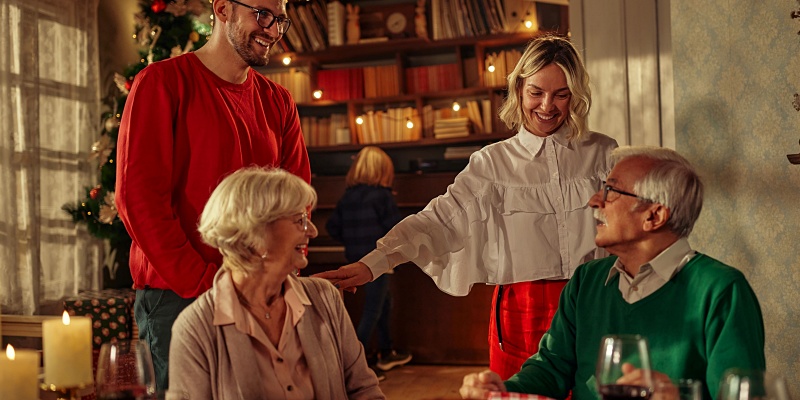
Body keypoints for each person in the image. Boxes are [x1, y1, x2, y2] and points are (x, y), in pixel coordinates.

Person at [314, 34, 618, 379]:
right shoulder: (491, 163)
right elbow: (438, 220)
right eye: (536, 92)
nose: (547, 106)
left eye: (561, 94)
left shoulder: (604, 153)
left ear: (575, 95)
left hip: (596, 300)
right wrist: (374, 264)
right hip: (523, 307)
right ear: (518, 90)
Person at [459, 146, 766, 400]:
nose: (595, 201)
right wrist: (502, 390)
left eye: (611, 191)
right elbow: (551, 369)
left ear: (654, 215)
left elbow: (742, 396)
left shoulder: (722, 289)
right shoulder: (586, 281)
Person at [115, 0, 310, 390]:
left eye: (281, 20)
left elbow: (297, 201)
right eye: (263, 14)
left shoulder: (279, 102)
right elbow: (138, 199)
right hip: (180, 296)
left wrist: (279, 280)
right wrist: (208, 282)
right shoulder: (160, 82)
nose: (273, 30)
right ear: (223, 9)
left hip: (261, 294)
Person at [167, 167, 384, 400]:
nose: (311, 231)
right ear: (256, 233)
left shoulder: (325, 298)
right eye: (300, 220)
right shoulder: (194, 329)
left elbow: (364, 390)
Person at [326, 147, 413, 379]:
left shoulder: (348, 196)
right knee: (373, 310)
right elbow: (395, 229)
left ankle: (386, 352)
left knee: (384, 304)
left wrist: (351, 240)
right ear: (384, 172)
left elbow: (332, 227)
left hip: (353, 258)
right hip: (377, 262)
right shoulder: (382, 196)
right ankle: (355, 366)